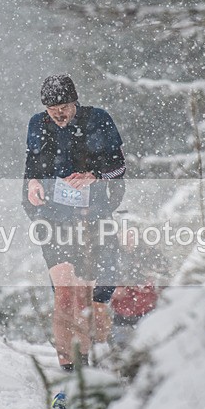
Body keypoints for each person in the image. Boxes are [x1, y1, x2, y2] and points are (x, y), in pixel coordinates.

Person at [23, 74, 125, 373]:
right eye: (52, 109)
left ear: (75, 102)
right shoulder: (37, 124)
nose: (58, 114)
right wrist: (32, 184)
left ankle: (97, 363)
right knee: (66, 293)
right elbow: (31, 164)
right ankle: (71, 369)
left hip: (94, 217)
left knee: (92, 296)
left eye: (64, 107)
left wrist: (94, 175)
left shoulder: (99, 120)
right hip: (53, 218)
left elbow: (119, 167)